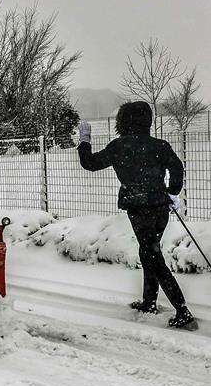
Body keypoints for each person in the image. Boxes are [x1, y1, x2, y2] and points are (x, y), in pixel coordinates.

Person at [77, 101, 196, 330]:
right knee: (149, 251)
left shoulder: (120, 147)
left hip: (139, 208)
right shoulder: (159, 145)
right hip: (160, 207)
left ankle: (183, 311)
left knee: (152, 255)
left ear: (124, 121)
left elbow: (90, 164)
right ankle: (149, 301)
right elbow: (177, 167)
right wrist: (172, 190)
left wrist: (85, 140)